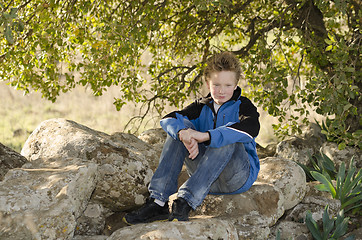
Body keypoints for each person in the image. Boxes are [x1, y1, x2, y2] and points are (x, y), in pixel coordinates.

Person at [123, 51, 260, 225]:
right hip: (204, 178)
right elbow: (167, 119)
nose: (221, 91)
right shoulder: (201, 106)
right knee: (179, 131)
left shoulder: (244, 106)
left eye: (227, 85)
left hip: (236, 178)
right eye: (216, 84)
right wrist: (185, 135)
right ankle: (159, 202)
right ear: (207, 82)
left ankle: (185, 201)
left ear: (235, 85)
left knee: (226, 137)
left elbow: (252, 128)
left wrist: (205, 136)